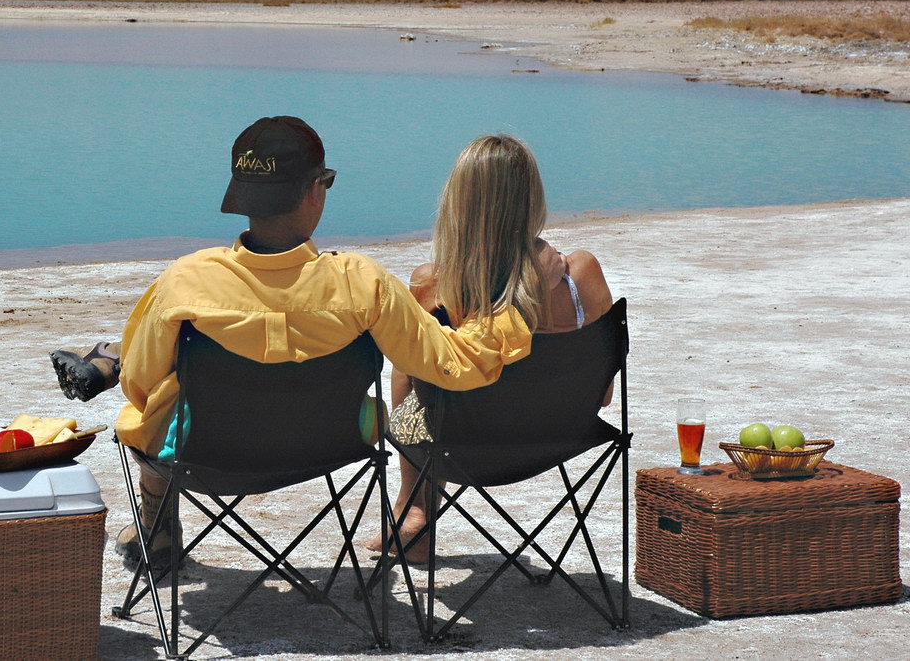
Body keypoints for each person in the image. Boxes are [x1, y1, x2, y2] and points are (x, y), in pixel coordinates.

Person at [52, 116, 565, 569]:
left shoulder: (185, 281)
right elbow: (455, 364)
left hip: (207, 449)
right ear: (315, 191)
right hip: (332, 441)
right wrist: (520, 295)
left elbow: (142, 385)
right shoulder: (363, 283)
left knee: (151, 410)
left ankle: (156, 521)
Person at [369, 133, 614, 563]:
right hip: (562, 435)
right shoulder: (581, 274)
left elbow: (420, 386)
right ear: (532, 198)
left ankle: (413, 509)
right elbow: (605, 395)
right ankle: (414, 511)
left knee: (410, 380)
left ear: (458, 203)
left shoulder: (435, 286)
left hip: (462, 446)